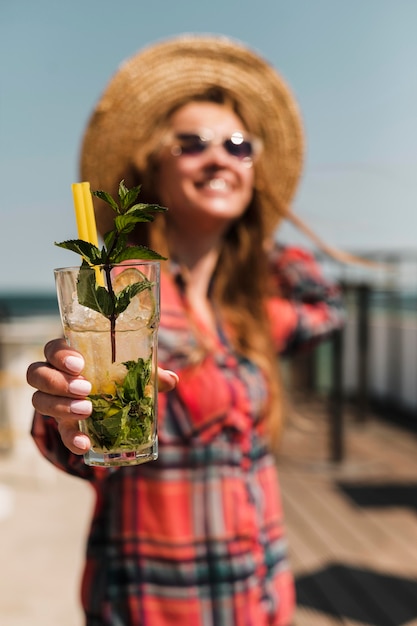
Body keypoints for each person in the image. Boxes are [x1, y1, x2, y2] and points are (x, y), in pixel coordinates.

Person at [27, 35, 344, 626]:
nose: (219, 156)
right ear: (153, 165)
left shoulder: (250, 311)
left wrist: (257, 241)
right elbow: (71, 437)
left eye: (239, 146)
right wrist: (64, 415)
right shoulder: (123, 295)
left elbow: (327, 307)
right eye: (193, 143)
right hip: (153, 604)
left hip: (260, 597)